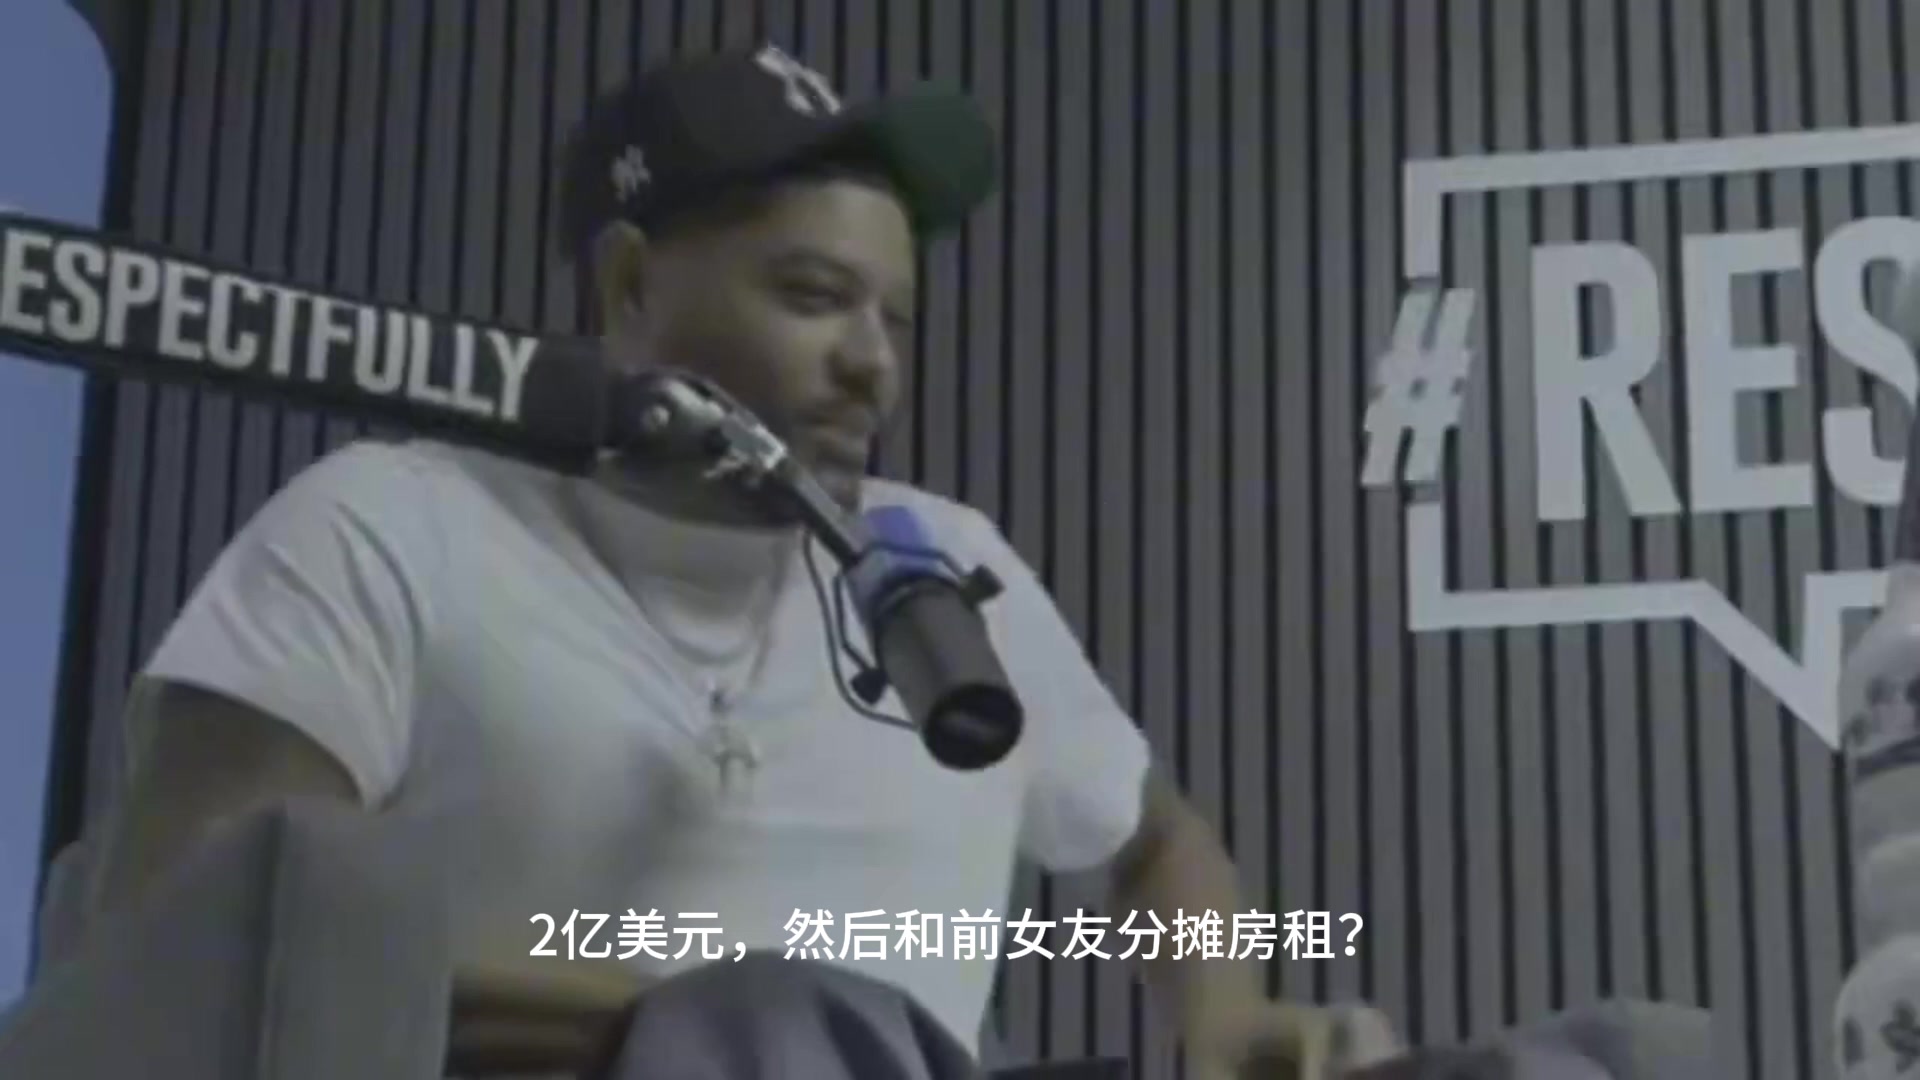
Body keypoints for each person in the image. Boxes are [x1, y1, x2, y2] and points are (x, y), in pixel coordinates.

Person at [73, 44, 1400, 1080]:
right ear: (629, 286)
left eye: (895, 317)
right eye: (814, 297)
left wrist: (1231, 1014)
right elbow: (186, 959)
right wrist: (690, 1024)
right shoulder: (386, 532)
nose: (872, 364)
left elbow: (1153, 839)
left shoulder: (952, 565)